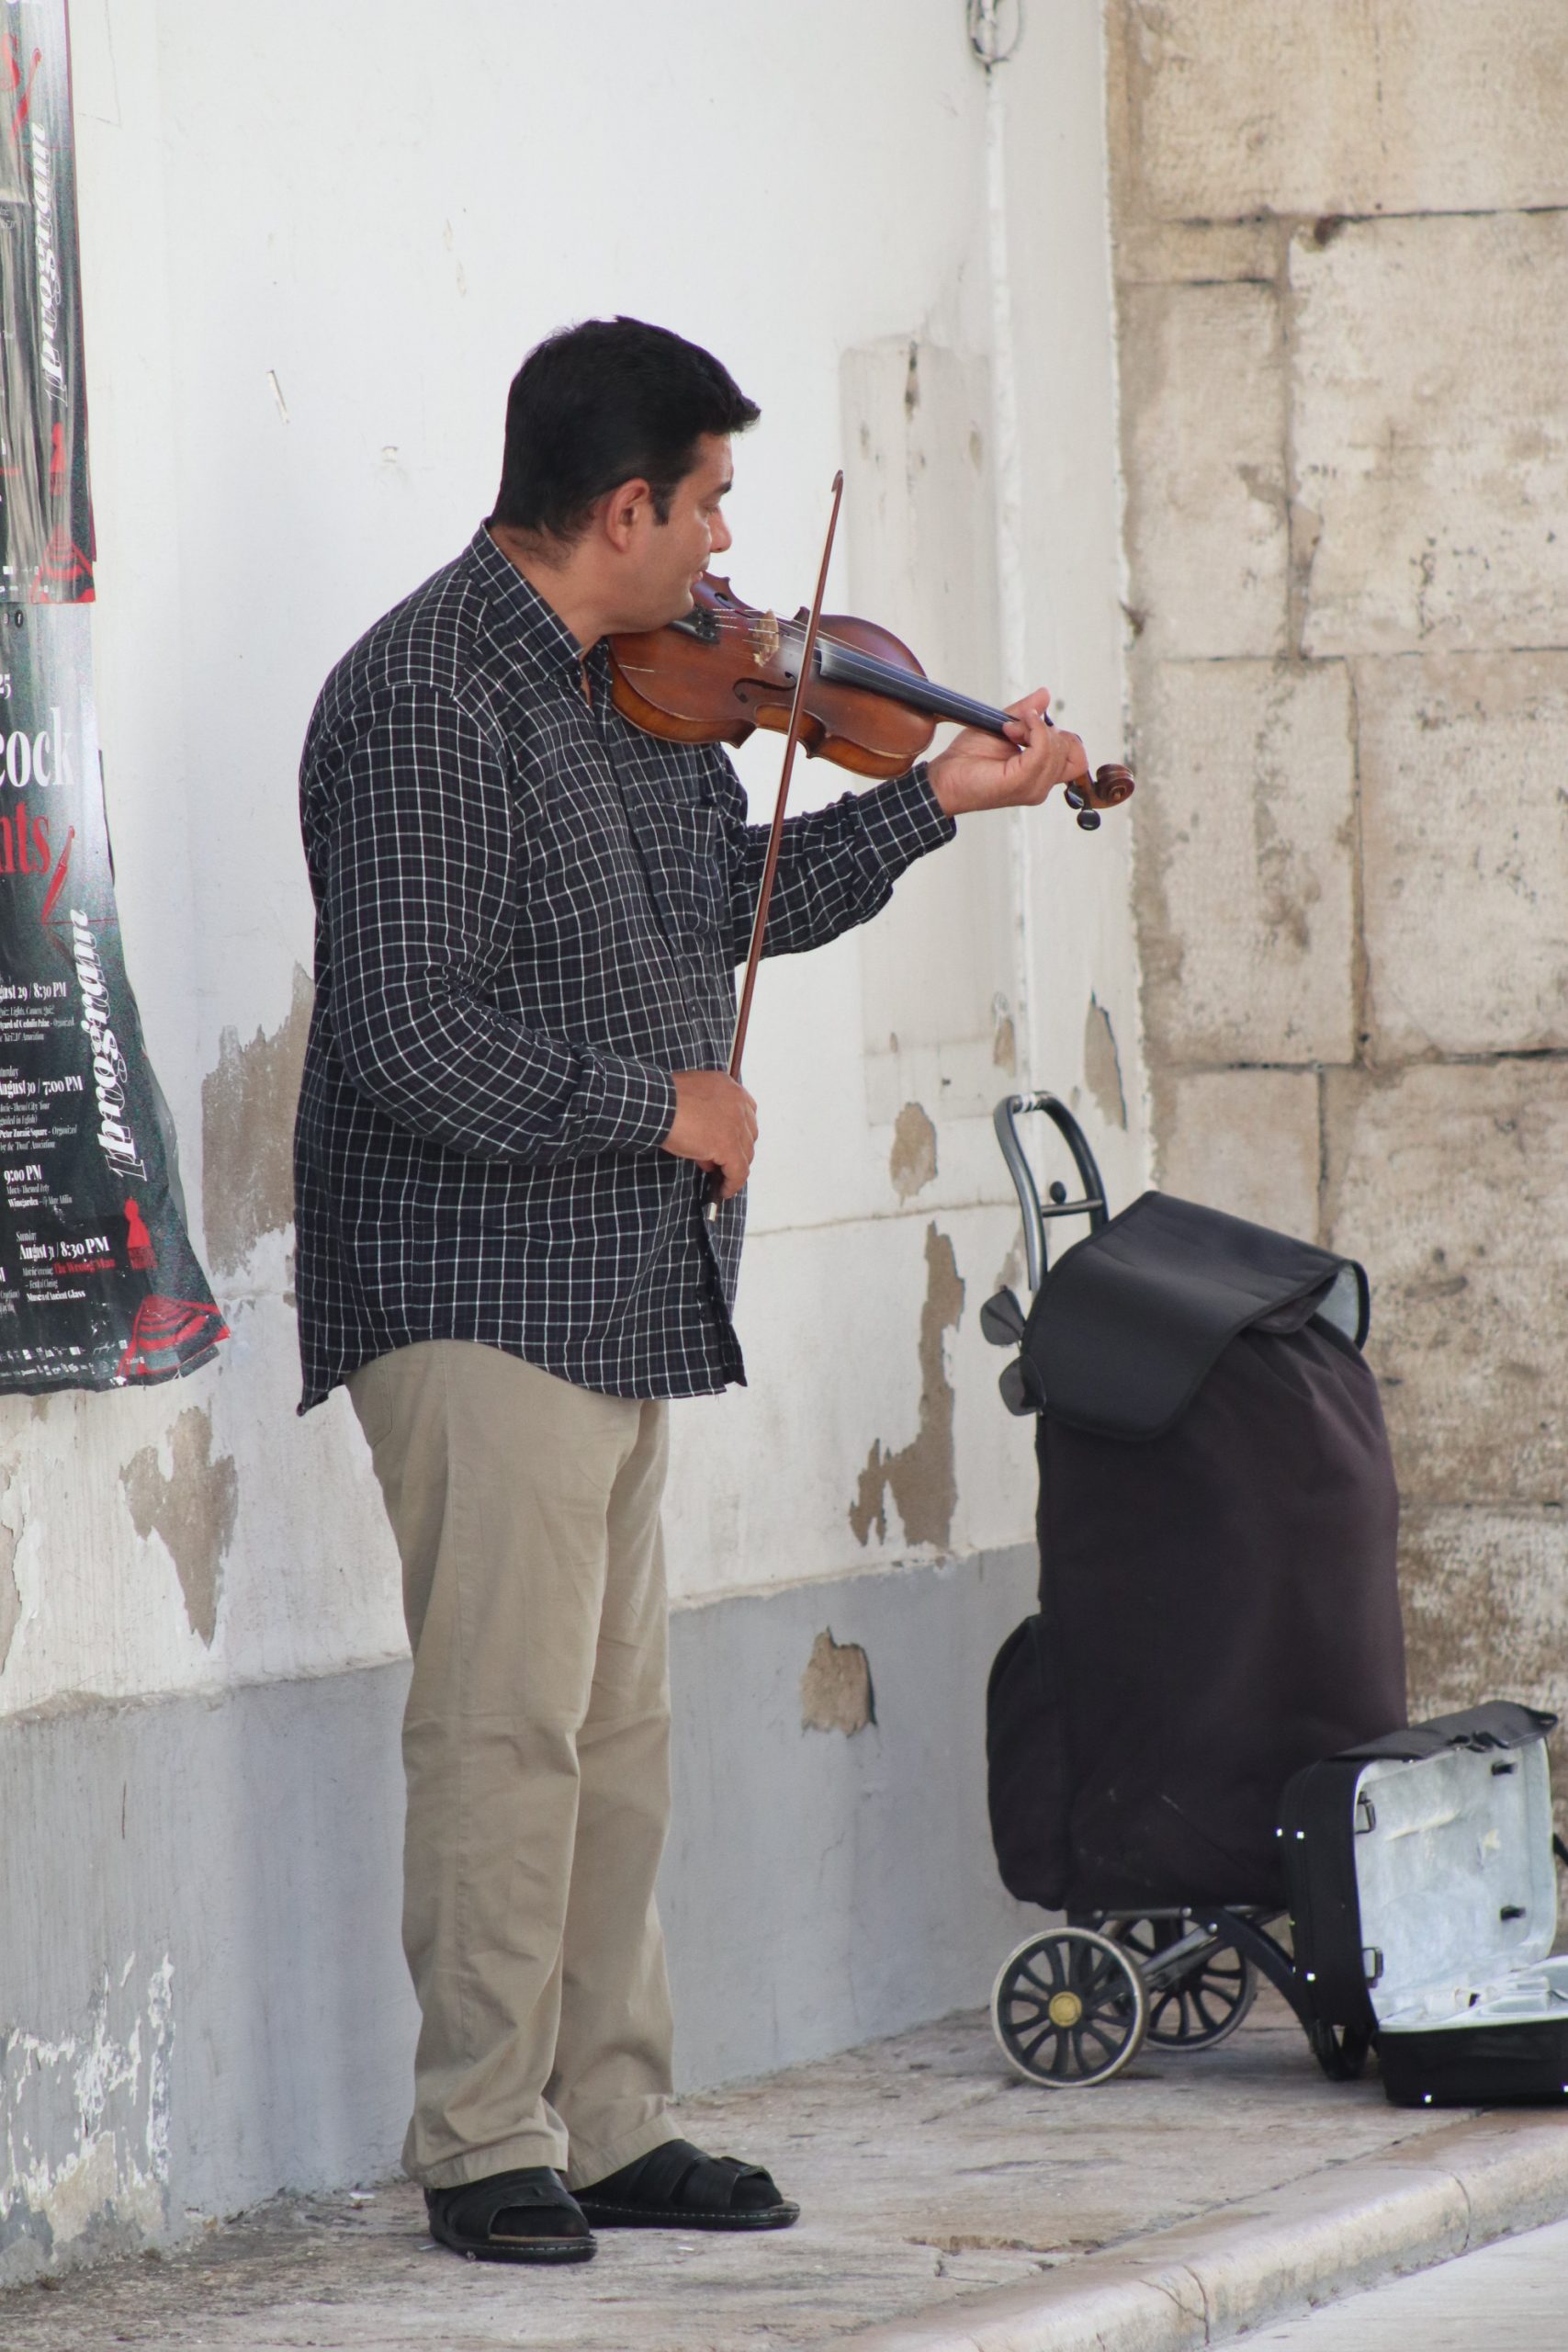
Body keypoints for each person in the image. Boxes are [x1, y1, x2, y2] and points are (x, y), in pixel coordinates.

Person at [292, 316, 1088, 2266]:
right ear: (625, 506)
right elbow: (405, 1032)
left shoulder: (637, 693)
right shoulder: (426, 695)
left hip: (617, 1275)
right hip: (473, 1285)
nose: (734, 547)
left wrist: (937, 798)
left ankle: (612, 2118)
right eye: (713, 502)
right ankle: (483, 2137)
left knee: (615, 1732)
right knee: (504, 1733)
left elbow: (729, 904)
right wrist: (661, 1104)